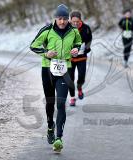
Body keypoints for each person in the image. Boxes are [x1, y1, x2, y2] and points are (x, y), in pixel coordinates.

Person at [30, 4, 82, 152]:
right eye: (60, 18)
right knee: (50, 102)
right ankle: (50, 126)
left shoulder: (73, 31)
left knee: (60, 103)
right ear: (55, 18)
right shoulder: (47, 30)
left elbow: (78, 43)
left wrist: (76, 49)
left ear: (68, 19)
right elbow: (33, 45)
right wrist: (46, 53)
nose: (62, 22)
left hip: (65, 70)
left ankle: (59, 137)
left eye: (65, 19)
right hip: (48, 69)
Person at [69, 11, 92, 106]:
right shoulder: (67, 28)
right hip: (69, 59)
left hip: (81, 58)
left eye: (77, 21)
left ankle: (79, 87)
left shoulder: (86, 28)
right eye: (73, 21)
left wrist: (86, 49)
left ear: (80, 20)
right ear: (70, 20)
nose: (75, 23)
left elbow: (89, 40)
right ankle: (72, 98)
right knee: (70, 79)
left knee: (81, 77)